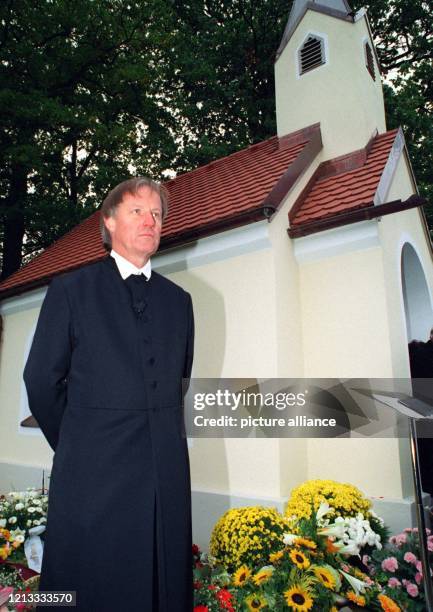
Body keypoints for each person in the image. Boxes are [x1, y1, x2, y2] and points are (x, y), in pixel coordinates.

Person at [23, 177, 194, 611]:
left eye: (156, 214)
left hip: (164, 476)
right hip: (93, 475)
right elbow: (40, 381)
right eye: (138, 211)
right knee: (87, 585)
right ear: (108, 222)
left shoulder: (181, 302)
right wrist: (79, 441)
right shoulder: (70, 291)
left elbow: (179, 384)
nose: (150, 221)